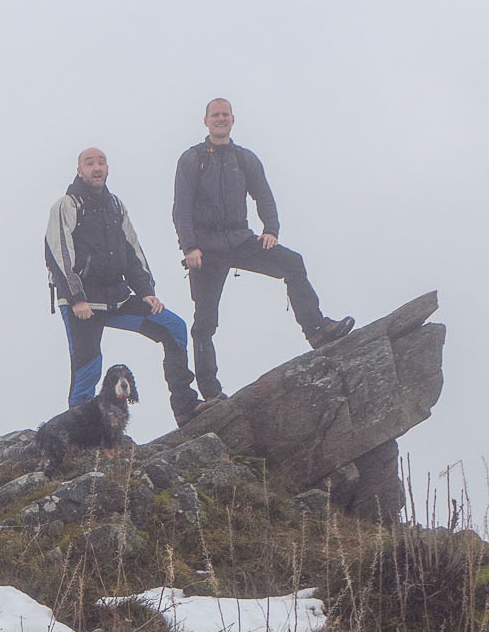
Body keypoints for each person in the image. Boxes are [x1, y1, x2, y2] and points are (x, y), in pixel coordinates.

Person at [172, 98, 354, 402]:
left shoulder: (245, 159)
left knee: (293, 264)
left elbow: (264, 196)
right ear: (206, 121)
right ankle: (210, 392)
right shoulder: (192, 160)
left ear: (233, 119)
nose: (220, 119)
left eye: (225, 114)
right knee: (205, 322)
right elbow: (181, 209)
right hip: (206, 249)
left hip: (242, 241)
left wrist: (271, 230)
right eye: (215, 115)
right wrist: (189, 247)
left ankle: (317, 330)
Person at [45, 147, 202, 429]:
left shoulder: (116, 206)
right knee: (87, 370)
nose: (97, 167)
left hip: (116, 299)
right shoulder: (67, 205)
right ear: (79, 170)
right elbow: (59, 254)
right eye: (90, 163)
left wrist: (146, 291)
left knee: (174, 328)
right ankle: (79, 437)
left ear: (108, 168)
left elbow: (132, 252)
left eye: (101, 162)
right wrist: (76, 298)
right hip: (83, 305)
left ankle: (186, 407)